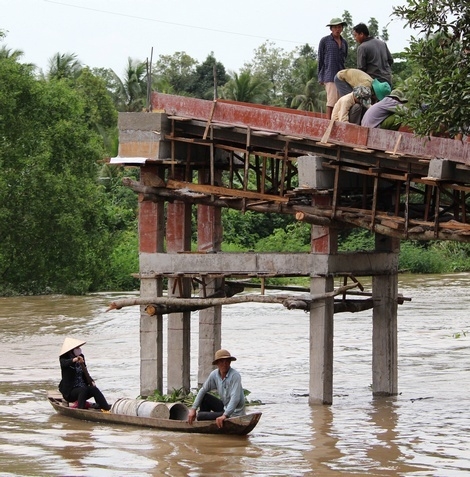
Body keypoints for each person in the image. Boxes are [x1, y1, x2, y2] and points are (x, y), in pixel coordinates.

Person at [187, 349, 245, 428]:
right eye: (222, 361)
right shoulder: (214, 374)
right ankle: (203, 424)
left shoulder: (235, 376)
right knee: (205, 397)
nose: (225, 364)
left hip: (234, 413)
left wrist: (225, 415)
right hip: (225, 406)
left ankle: (203, 420)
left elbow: (235, 398)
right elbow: (203, 390)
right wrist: (193, 409)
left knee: (200, 416)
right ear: (217, 363)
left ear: (230, 362)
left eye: (227, 361)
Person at [58, 337, 111, 411]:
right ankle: (81, 410)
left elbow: (85, 371)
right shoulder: (63, 358)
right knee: (82, 390)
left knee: (94, 389)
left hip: (83, 389)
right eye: (76, 348)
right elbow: (64, 364)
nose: (78, 349)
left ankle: (105, 407)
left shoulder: (81, 357)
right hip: (70, 391)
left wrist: (91, 381)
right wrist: (74, 360)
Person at [318, 17, 348, 119]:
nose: (337, 29)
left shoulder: (344, 43)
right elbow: (321, 59)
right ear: (331, 29)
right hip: (329, 74)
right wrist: (320, 77)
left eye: (339, 27)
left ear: (342, 28)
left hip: (341, 76)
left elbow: (344, 58)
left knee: (341, 101)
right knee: (331, 100)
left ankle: (336, 121)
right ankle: (327, 122)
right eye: (335, 27)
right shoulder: (325, 41)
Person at [352, 23, 393, 87]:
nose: (355, 38)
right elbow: (390, 60)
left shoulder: (362, 47)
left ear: (361, 34)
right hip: (387, 81)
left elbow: (361, 69)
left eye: (355, 35)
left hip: (374, 83)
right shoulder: (382, 43)